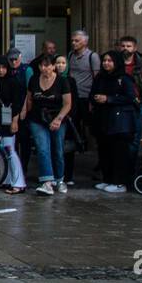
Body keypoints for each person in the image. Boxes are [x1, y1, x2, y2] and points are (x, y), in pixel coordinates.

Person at [15, 53, 73, 196]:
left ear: (53, 66)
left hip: (57, 117)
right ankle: (47, 181)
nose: (44, 68)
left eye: (47, 65)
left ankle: (59, 179)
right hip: (37, 118)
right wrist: (23, 112)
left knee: (57, 150)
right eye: (41, 65)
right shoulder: (34, 79)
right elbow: (29, 99)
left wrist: (58, 119)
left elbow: (67, 104)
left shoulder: (62, 81)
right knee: (42, 148)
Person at [90, 51, 140, 193]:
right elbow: (92, 93)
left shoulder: (124, 79)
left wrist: (109, 99)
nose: (106, 63)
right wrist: (96, 99)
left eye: (110, 61)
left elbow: (130, 98)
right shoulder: (100, 77)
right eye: (104, 60)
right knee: (105, 151)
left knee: (119, 153)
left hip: (119, 122)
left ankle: (119, 182)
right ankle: (107, 179)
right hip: (103, 119)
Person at [0, 56, 27, 194]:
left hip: (9, 120)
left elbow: (17, 103)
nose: (1, 71)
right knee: (0, 151)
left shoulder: (13, 82)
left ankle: (18, 182)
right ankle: (6, 179)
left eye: (3, 67)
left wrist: (15, 121)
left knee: (9, 150)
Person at [67, 29, 100, 154]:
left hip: (86, 96)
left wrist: (93, 98)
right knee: (73, 122)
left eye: (77, 41)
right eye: (72, 41)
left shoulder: (92, 56)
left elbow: (96, 78)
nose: (74, 43)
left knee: (89, 125)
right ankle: (77, 147)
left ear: (85, 42)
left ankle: (92, 149)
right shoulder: (70, 55)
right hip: (73, 96)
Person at [53, 53, 82, 188]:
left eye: (63, 63)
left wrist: (70, 117)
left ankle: (68, 175)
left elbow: (74, 101)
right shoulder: (50, 79)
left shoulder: (71, 81)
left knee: (68, 148)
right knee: (54, 147)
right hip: (53, 117)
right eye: (58, 63)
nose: (60, 66)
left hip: (68, 119)